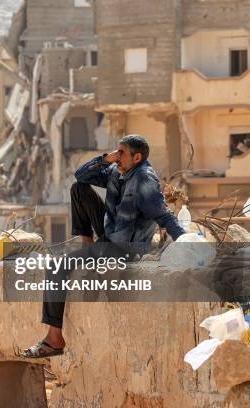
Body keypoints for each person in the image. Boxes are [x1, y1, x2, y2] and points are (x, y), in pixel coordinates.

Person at [24, 134, 185, 358]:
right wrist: (105, 160)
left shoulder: (145, 180)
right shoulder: (116, 171)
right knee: (78, 188)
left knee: (57, 267)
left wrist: (188, 242)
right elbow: (81, 175)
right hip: (109, 234)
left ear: (137, 157)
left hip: (125, 248)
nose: (118, 157)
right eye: (116, 152)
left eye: (122, 154)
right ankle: (87, 245)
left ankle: (54, 338)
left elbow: (163, 216)